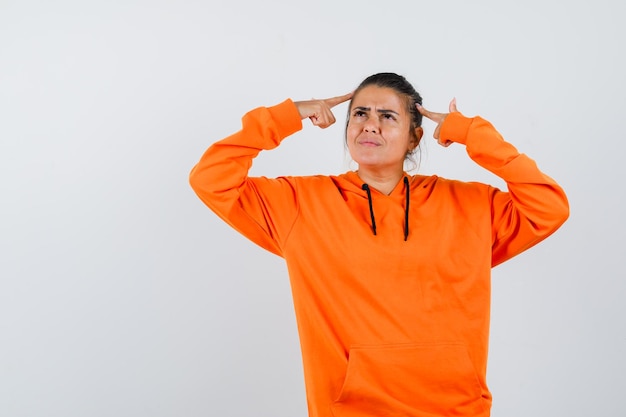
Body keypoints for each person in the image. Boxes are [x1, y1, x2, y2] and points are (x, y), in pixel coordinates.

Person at [189, 72, 569, 417]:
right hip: (348, 409)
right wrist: (289, 115)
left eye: (388, 116)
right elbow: (211, 178)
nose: (370, 125)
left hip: (456, 407)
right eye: (360, 114)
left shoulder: (471, 205)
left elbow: (548, 207)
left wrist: (473, 134)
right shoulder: (299, 204)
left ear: (414, 137)